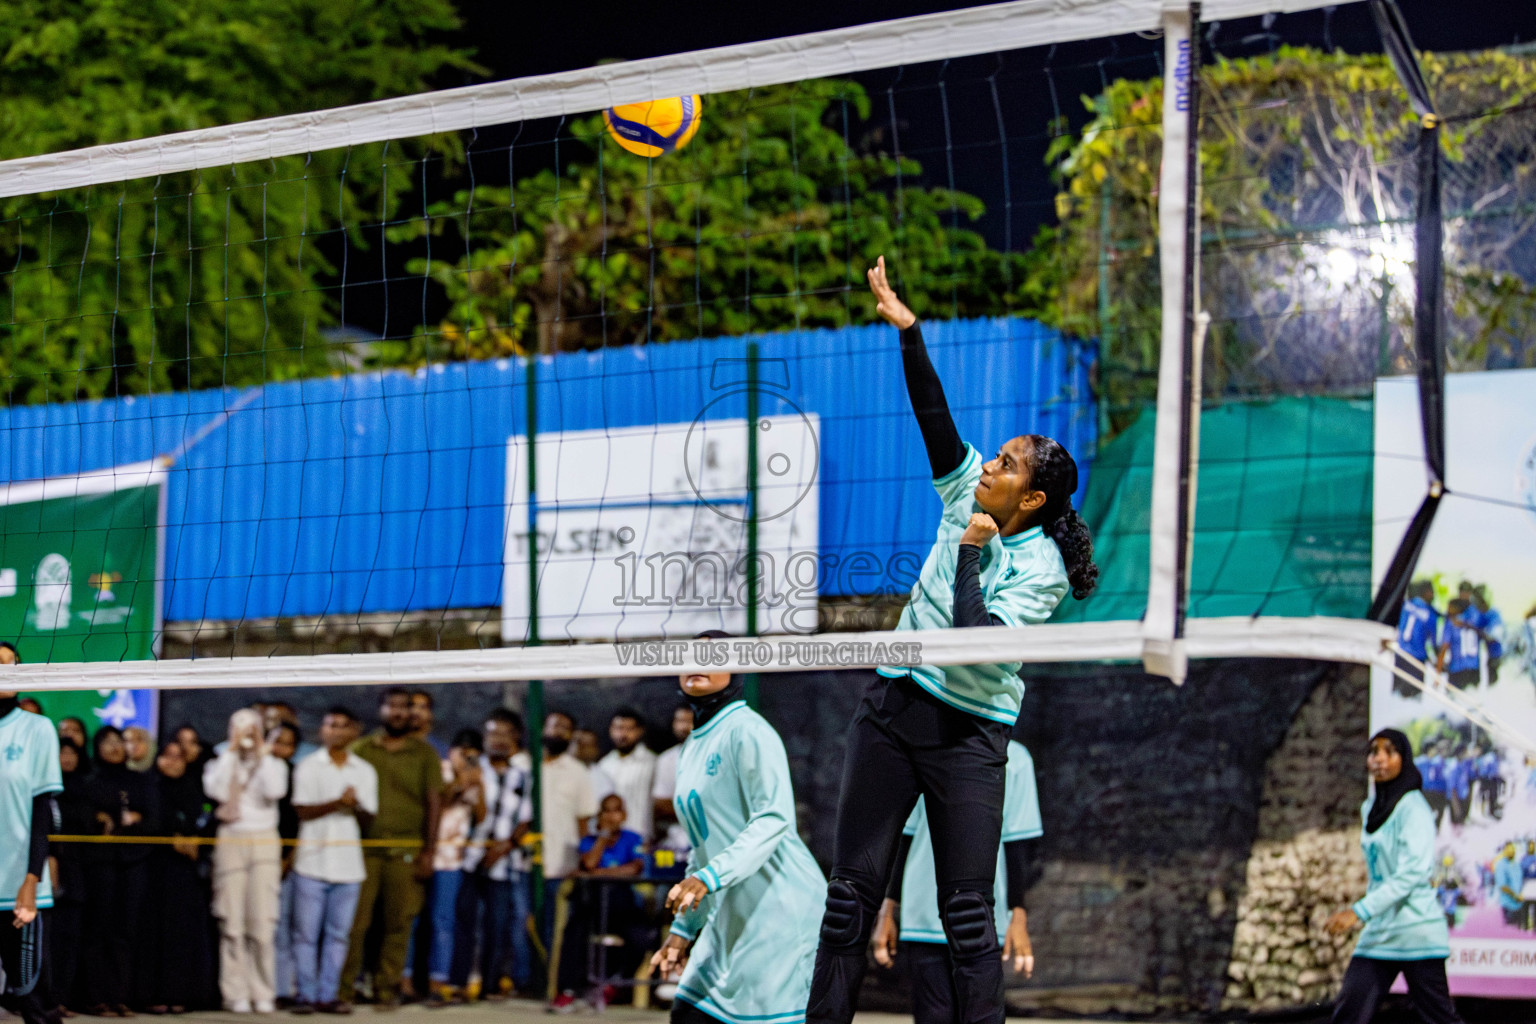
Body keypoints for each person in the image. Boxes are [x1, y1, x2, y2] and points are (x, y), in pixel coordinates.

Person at [807, 258, 1096, 1024]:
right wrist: (910, 334)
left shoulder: (1043, 570)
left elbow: (973, 643)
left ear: (1030, 498)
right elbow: (934, 418)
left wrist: (972, 548)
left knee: (971, 917)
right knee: (848, 900)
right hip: (894, 710)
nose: (987, 466)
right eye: (992, 458)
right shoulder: (962, 489)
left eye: (1003, 466)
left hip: (970, 736)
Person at [649, 637, 825, 1024]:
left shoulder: (748, 731)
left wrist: (708, 878)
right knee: (687, 1013)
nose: (697, 661)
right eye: (689, 655)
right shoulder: (693, 744)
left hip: (778, 911)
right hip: (727, 912)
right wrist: (682, 929)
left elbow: (773, 818)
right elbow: (703, 846)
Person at [871, 741, 1043, 1024]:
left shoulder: (1015, 758)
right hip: (923, 913)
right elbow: (906, 836)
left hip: (983, 915)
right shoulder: (923, 749)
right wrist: (886, 912)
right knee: (933, 1016)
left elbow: (1017, 843)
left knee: (980, 1014)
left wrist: (1018, 917)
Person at [1323, 729, 1464, 1024]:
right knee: (1348, 1013)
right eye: (1374, 752)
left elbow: (1413, 872)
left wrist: (1358, 911)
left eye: (1390, 751)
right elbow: (1380, 874)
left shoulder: (1414, 808)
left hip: (1416, 930)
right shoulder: (1370, 808)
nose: (1379, 759)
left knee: (1439, 1019)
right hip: (1381, 932)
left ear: (1404, 759)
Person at [338, 689, 443, 1011]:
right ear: (381, 710)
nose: (398, 713)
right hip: (363, 851)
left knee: (398, 925)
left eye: (405, 708)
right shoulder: (361, 749)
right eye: (392, 706)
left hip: (406, 852)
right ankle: (344, 990)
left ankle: (387, 989)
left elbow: (434, 803)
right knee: (355, 925)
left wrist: (429, 852)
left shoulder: (424, 754)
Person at [290, 707, 378, 1015]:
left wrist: (353, 806)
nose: (336, 731)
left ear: (355, 732)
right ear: (322, 730)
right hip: (311, 862)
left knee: (339, 935)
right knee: (306, 935)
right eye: (331, 725)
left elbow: (369, 819)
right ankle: (306, 994)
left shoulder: (364, 771)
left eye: (343, 726)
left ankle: (328, 994)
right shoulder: (308, 766)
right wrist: (337, 803)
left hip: (348, 865)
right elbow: (301, 810)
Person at [442, 710, 532, 1006]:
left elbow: (526, 820)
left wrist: (502, 848)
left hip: (504, 863)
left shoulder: (524, 776)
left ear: (516, 738)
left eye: (505, 734)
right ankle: (458, 983)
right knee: (464, 924)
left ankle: (491, 985)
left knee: (498, 926)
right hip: (468, 860)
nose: (498, 740)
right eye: (493, 733)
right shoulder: (473, 768)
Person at [204, 707, 290, 1014]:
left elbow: (275, 790)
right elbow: (214, 791)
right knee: (231, 921)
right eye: (239, 727)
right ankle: (235, 992)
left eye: (251, 728)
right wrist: (232, 750)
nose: (246, 733)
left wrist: (261, 752)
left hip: (265, 838)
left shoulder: (274, 764)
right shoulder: (219, 761)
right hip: (231, 838)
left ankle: (263, 991)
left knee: (263, 921)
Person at [82, 725, 157, 1017]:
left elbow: (155, 820)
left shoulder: (140, 781)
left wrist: (136, 819)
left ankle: (119, 996)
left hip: (133, 863)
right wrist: (98, 817)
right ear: (97, 747)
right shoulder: (91, 782)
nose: (114, 747)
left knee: (125, 932)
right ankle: (95, 997)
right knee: (97, 930)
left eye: (118, 742)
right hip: (100, 865)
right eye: (107, 742)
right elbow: (84, 817)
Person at [549, 795, 649, 1011]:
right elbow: (589, 862)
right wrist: (602, 838)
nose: (610, 816)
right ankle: (567, 991)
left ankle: (614, 983)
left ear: (623, 815)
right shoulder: (589, 841)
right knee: (574, 932)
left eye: (615, 811)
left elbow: (635, 868)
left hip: (621, 904)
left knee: (642, 937)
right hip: (592, 905)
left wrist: (601, 873)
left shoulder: (633, 839)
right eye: (606, 811)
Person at [0, 686, 63, 1024]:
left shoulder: (36, 728)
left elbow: (42, 815)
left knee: (34, 999)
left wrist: (31, 879)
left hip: (17, 889)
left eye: (8, 665)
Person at [144, 741, 217, 1014]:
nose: (173, 762)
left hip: (187, 874)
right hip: (155, 871)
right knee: (155, 933)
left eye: (179, 757)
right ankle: (154, 994)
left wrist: (196, 843)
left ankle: (182, 994)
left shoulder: (196, 790)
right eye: (167, 756)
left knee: (183, 934)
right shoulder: (150, 787)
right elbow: (147, 822)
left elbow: (208, 823)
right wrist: (169, 838)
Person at [539, 712, 597, 1002]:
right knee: (521, 926)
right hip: (522, 864)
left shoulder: (577, 772)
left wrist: (579, 861)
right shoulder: (527, 766)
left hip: (560, 866)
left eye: (565, 728)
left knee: (555, 932)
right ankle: (525, 982)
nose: (558, 732)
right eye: (554, 725)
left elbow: (584, 823)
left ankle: (553, 986)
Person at [423, 731, 485, 999]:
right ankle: (410, 977)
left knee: (443, 920)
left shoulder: (476, 778)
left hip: (452, 860)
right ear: (452, 751)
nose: (467, 759)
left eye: (473, 754)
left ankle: (439, 979)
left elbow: (480, 817)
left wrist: (478, 787)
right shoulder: (441, 770)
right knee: (417, 920)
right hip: (427, 853)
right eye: (463, 753)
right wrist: (461, 782)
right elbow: (440, 803)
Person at [50, 737, 93, 1016]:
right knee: (49, 940)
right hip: (48, 870)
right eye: (61, 752)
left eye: (72, 752)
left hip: (79, 871)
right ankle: (45, 998)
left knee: (70, 939)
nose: (67, 757)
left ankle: (63, 998)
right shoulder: (46, 791)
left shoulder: (86, 789)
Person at [269, 722, 303, 1009]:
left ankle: (283, 988)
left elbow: (295, 822)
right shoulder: (254, 770)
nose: (280, 748)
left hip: (286, 861)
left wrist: (287, 857)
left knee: (284, 928)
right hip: (254, 856)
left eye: (287, 743)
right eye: (275, 740)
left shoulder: (296, 775)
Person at [599, 709, 657, 844]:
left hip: (641, 838)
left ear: (639, 731)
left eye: (628, 729)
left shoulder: (652, 763)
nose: (622, 734)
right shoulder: (604, 765)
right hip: (610, 842)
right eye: (618, 728)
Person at [652, 705, 695, 856]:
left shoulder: (715, 755)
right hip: (677, 836)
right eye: (680, 721)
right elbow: (662, 804)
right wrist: (697, 811)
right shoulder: (666, 759)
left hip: (712, 835)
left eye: (689, 721)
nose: (684, 726)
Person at [1394, 580, 1440, 695]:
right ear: (1426, 593)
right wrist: (1439, 663)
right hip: (1416, 661)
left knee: (1398, 693)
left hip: (1399, 656)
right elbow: (1434, 645)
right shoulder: (1430, 615)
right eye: (1432, 592)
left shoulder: (1405, 605)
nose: (1433, 596)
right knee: (1414, 694)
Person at [1438, 599, 1481, 690]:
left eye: (1449, 607)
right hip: (1474, 668)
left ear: (1457, 608)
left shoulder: (1450, 623)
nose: (1447, 610)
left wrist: (1437, 672)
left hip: (1457, 669)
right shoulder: (1473, 620)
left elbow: (1444, 648)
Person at [1470, 586, 1505, 684]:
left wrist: (1474, 629)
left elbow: (1493, 636)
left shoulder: (1494, 614)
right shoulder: (1478, 614)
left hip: (1495, 656)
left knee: (1493, 682)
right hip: (1479, 658)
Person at [573, 728, 616, 803]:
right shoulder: (553, 769)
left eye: (588, 745)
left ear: (596, 750)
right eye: (578, 743)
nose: (580, 749)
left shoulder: (603, 779)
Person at [1495, 842, 1524, 928]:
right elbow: (1502, 886)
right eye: (1509, 849)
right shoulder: (1501, 865)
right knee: (1510, 931)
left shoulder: (1517, 864)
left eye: (1513, 849)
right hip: (1508, 905)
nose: (1511, 851)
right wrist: (1515, 896)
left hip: (1519, 904)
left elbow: (1520, 882)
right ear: (1504, 851)